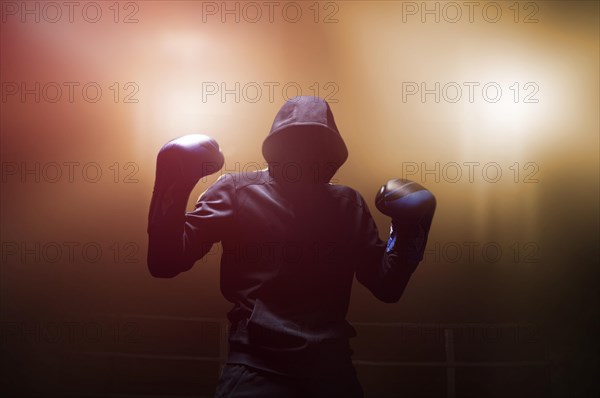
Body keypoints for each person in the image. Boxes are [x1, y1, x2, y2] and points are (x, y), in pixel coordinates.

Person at [147, 96, 436, 397]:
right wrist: (174, 182)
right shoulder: (238, 190)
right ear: (277, 146)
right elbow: (165, 262)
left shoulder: (347, 204)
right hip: (258, 366)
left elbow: (387, 286)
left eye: (314, 144)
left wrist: (411, 228)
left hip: (331, 372)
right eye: (296, 142)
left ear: (330, 154)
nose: (304, 153)